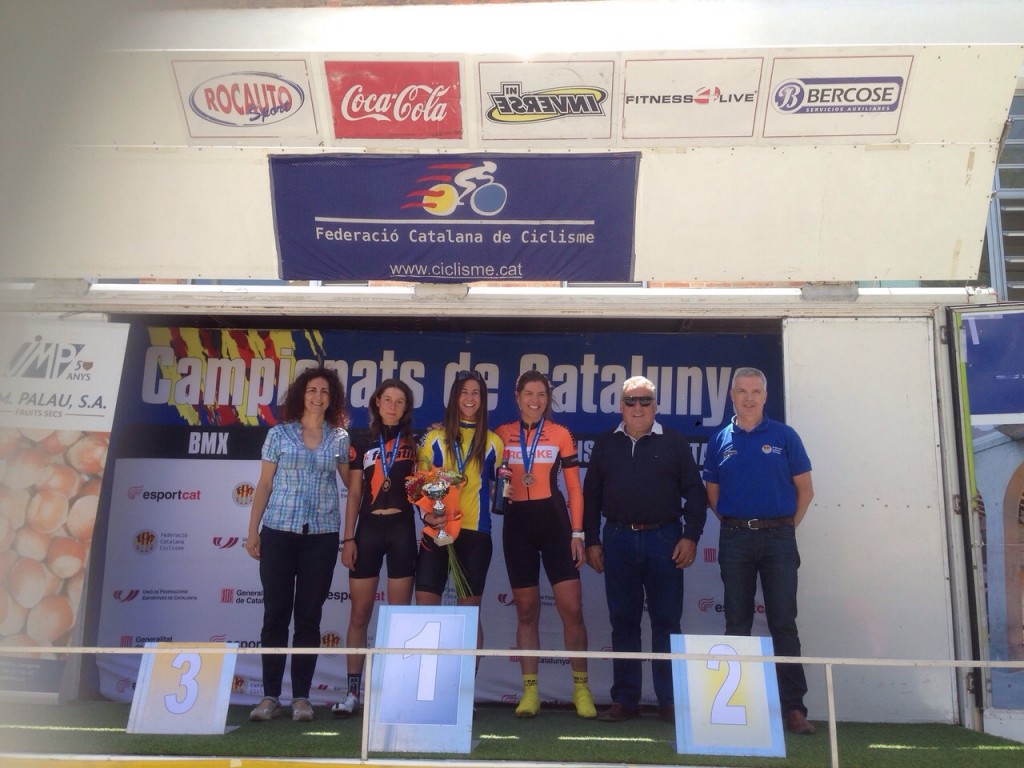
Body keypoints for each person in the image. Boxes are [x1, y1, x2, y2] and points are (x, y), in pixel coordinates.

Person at [582, 375, 707, 723]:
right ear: (621, 406)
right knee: (623, 622)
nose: (638, 407)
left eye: (645, 401)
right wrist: (592, 540)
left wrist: (691, 536)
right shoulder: (605, 443)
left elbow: (696, 494)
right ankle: (625, 700)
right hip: (618, 539)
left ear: (656, 406)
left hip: (665, 540)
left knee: (667, 621)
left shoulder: (675, 442)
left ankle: (670, 701)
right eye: (631, 401)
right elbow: (591, 496)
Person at [702, 366, 816, 735]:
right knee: (737, 623)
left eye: (755, 391)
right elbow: (713, 495)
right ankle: (738, 706)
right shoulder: (719, 440)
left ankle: (794, 708)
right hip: (735, 539)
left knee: (783, 623)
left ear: (765, 397)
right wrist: (739, 523)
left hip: (779, 539)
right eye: (742, 391)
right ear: (732, 396)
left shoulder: (785, 436)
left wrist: (785, 528)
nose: (748, 398)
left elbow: (805, 490)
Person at [245, 366, 351, 723]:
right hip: (278, 531)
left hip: (321, 537)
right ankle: (270, 696)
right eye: (312, 390)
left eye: (324, 391)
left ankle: (302, 698)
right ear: (301, 395)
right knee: (275, 615)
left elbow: (353, 484)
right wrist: (253, 531)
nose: (318, 397)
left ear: (332, 398)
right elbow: (264, 484)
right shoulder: (279, 434)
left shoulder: (339, 438)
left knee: (308, 617)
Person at [494, 370, 596, 719]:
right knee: (526, 611)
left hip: (554, 524)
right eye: (529, 394)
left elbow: (575, 488)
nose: (535, 401)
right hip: (517, 526)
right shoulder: (501, 434)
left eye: (541, 395)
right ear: (517, 396)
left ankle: (581, 689)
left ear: (547, 399)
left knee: (572, 609)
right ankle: (530, 691)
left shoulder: (560, 434)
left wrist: (577, 533)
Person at [333, 378, 419, 719]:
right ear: (377, 403)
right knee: (359, 614)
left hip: (402, 529)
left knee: (399, 617)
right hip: (367, 530)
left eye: (400, 401)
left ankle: (394, 691)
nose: (393, 406)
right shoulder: (361, 440)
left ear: (406, 407)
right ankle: (352, 692)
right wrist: (348, 539)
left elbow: (426, 485)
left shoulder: (416, 441)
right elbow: (354, 493)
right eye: (388, 400)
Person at [415, 369, 502, 649]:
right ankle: (428, 676)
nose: (470, 398)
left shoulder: (494, 442)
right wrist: (428, 516)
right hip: (437, 531)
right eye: (464, 392)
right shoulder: (434, 437)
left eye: (476, 393)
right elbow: (418, 485)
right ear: (454, 397)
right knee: (425, 609)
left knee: (468, 617)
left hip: (475, 533)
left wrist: (504, 492)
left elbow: (498, 487)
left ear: (483, 399)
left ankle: (467, 679)